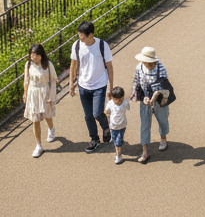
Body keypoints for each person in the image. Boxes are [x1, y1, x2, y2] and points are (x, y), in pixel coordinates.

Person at [68, 21, 114, 153]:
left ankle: (106, 127)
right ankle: (94, 139)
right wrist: (71, 84)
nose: (79, 37)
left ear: (90, 35)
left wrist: (111, 87)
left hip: (99, 85)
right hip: (83, 85)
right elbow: (73, 66)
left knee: (97, 113)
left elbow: (109, 67)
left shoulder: (102, 45)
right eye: (79, 34)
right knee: (88, 115)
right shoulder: (76, 45)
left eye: (82, 35)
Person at [132, 46, 170, 164]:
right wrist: (141, 97)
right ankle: (145, 152)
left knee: (163, 120)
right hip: (145, 98)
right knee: (145, 125)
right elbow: (136, 82)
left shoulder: (160, 68)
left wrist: (153, 98)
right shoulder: (139, 67)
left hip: (160, 99)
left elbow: (163, 86)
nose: (144, 63)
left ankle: (163, 138)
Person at [22, 43, 57, 158]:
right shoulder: (28, 65)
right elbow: (26, 80)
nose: (34, 57)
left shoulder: (48, 65)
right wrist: (25, 93)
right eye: (32, 55)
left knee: (47, 115)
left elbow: (53, 81)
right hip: (33, 93)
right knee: (35, 120)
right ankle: (38, 145)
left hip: (45, 93)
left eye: (36, 55)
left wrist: (51, 96)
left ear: (41, 55)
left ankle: (51, 129)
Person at [104, 86, 131, 164]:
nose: (118, 101)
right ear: (112, 98)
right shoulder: (110, 104)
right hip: (113, 126)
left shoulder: (125, 102)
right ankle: (118, 143)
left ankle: (118, 155)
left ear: (123, 97)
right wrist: (107, 113)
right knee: (115, 139)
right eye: (116, 99)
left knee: (118, 141)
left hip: (122, 125)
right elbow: (106, 112)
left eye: (120, 99)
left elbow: (128, 107)